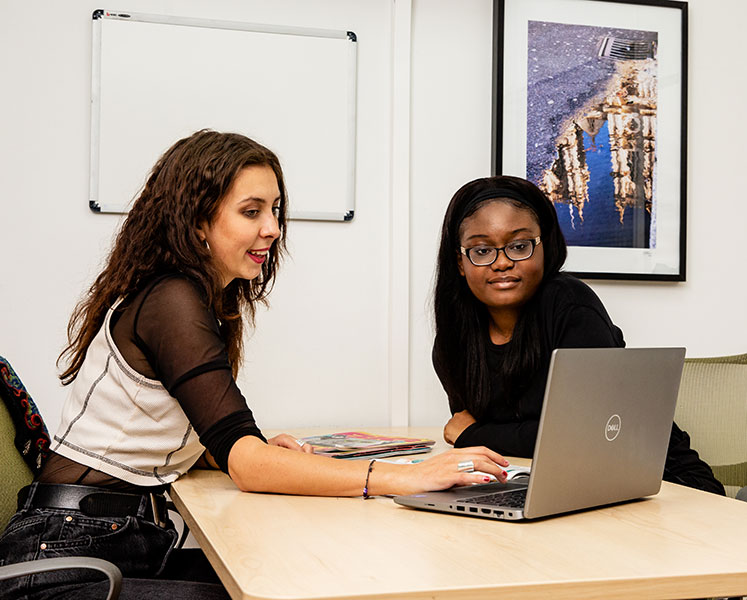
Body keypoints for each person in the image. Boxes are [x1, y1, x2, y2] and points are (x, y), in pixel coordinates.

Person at [0, 131, 509, 600]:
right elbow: (247, 466)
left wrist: (250, 449)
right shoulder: (171, 300)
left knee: (299, 579)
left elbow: (192, 441)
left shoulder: (189, 298)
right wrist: (406, 476)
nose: (273, 228)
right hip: (67, 560)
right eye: (251, 211)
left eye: (276, 209)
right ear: (197, 220)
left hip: (113, 542)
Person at [432, 175, 725, 496]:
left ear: (545, 247)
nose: (502, 262)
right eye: (482, 250)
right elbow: (497, 454)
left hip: (664, 487)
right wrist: (481, 437)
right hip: (554, 490)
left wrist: (474, 435)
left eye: (519, 246)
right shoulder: (455, 342)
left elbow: (588, 438)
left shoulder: (571, 306)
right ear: (460, 262)